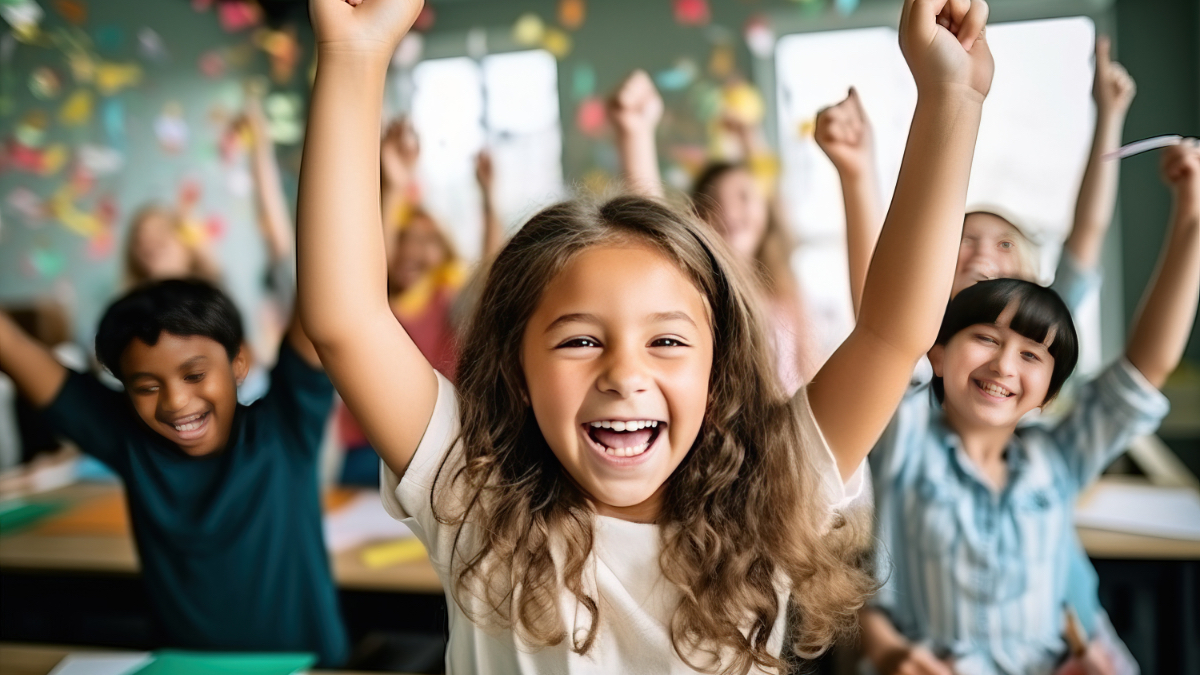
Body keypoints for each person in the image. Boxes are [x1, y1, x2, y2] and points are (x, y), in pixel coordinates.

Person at [299, 0, 993, 672]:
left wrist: (951, 96)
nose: (624, 374)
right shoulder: (476, 497)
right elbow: (348, 319)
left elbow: (891, 333)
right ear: (518, 371)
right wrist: (354, 55)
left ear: (718, 375)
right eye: (579, 341)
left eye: (666, 342)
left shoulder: (774, 489)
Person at [858, 140, 1199, 675]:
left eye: (1031, 353)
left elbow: (1145, 368)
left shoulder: (1055, 459)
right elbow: (879, 325)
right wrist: (857, 173)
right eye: (986, 340)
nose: (1004, 367)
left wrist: (1192, 217)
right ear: (938, 353)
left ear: (1050, 390)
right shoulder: (905, 437)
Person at [0, 279, 348, 666]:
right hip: (185, 669)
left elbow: (327, 293)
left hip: (308, 668)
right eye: (147, 387)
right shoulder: (128, 439)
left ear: (238, 363)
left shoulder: (286, 426)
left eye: (195, 375)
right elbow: (11, 346)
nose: (176, 402)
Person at [611, 70, 820, 391]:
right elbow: (652, 225)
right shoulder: (701, 290)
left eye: (744, 197)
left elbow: (810, 371)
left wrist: (750, 137)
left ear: (765, 212)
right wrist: (635, 134)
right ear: (699, 220)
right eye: (716, 202)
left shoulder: (786, 290)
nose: (731, 211)